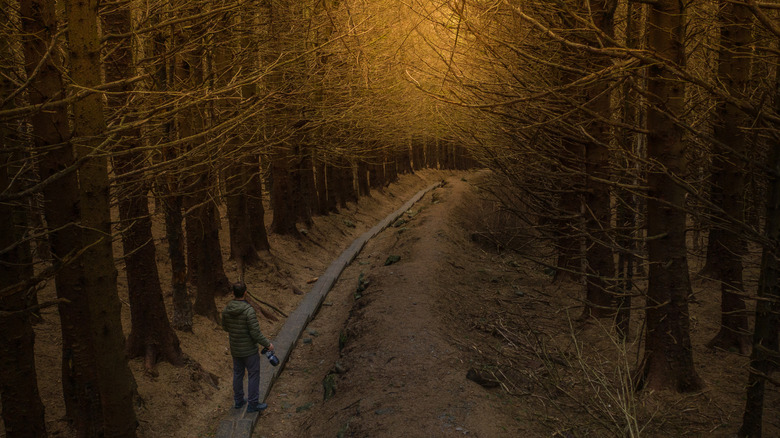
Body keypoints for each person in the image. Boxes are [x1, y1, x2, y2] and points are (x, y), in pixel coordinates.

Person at [221, 282, 274, 412]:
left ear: (233, 293)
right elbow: (255, 333)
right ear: (245, 292)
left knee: (238, 374)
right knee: (253, 375)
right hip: (249, 350)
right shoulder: (249, 311)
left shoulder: (227, 309)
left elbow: (225, 327)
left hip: (235, 349)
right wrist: (268, 344)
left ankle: (238, 400)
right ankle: (253, 403)